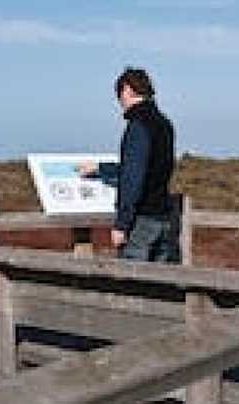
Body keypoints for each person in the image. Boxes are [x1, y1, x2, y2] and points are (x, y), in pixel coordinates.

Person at [79, 67, 179, 262]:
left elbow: (133, 178)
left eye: (119, 94)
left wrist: (121, 225)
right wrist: (100, 168)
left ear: (127, 90)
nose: (119, 101)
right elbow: (148, 168)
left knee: (133, 284)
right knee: (162, 284)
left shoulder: (138, 126)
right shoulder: (165, 124)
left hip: (142, 221)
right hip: (164, 217)